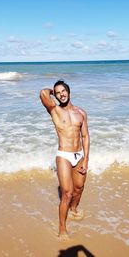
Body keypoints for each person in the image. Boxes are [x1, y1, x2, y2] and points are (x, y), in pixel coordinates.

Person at [40, 79, 90, 241]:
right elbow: (42, 93)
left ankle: (74, 209)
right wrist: (52, 92)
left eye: (64, 91)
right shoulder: (54, 110)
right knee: (67, 193)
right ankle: (62, 228)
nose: (61, 94)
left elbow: (85, 136)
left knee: (79, 188)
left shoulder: (81, 113)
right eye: (58, 92)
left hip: (79, 154)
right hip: (64, 155)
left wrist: (86, 160)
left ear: (69, 92)